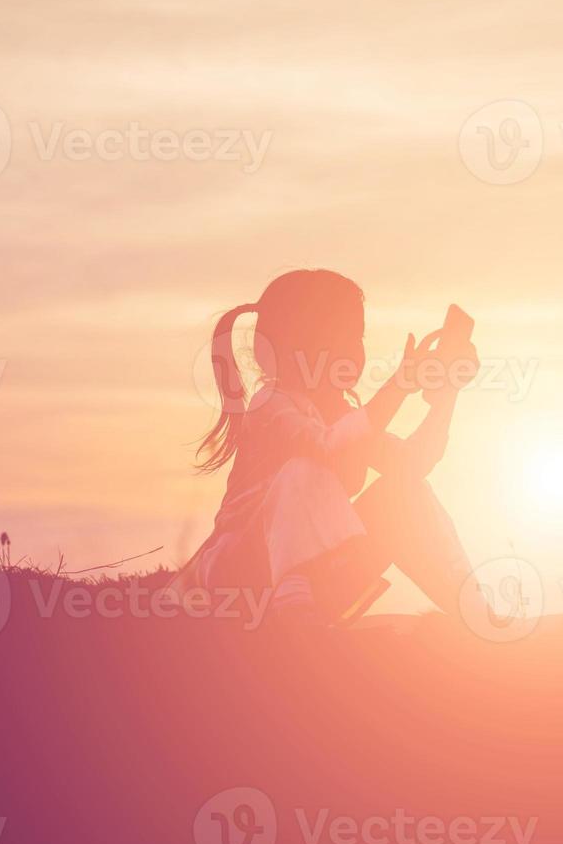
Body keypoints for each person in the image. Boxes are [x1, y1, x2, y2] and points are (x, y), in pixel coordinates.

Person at [172, 268, 484, 625]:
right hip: (241, 579)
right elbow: (323, 447)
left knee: (407, 490)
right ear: (295, 344)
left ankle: (473, 612)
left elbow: (412, 464)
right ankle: (293, 606)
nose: (353, 350)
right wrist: (399, 385)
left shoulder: (346, 417)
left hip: (322, 577)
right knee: (302, 469)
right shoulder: (271, 405)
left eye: (357, 336)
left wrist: (448, 395)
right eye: (338, 335)